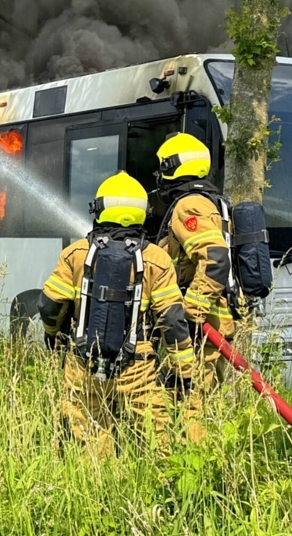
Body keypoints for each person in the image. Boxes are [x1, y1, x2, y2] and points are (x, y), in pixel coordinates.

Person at [38, 172, 195, 457]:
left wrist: (53, 336)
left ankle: (97, 490)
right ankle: (167, 491)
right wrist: (184, 371)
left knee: (88, 434)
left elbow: (49, 304)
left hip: (83, 363)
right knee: (159, 438)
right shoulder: (157, 259)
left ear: (99, 210)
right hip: (138, 366)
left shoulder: (76, 253)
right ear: (142, 213)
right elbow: (172, 321)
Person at [154, 133, 234, 439]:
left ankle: (193, 474)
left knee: (192, 405)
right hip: (209, 324)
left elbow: (215, 259)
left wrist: (191, 312)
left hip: (202, 328)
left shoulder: (189, 206)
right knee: (179, 395)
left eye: (163, 167)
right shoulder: (212, 202)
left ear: (174, 167)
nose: (159, 175)